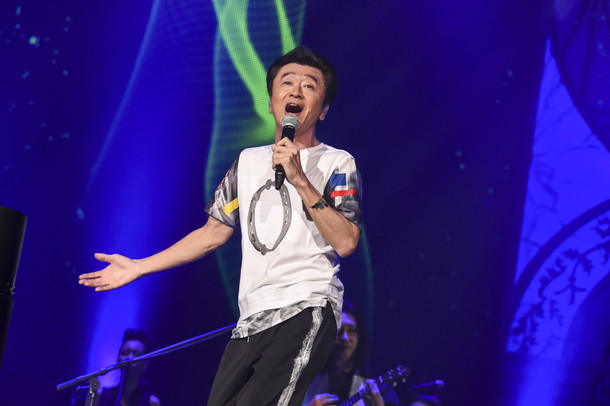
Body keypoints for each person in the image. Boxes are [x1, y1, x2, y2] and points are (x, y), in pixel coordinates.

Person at [78, 46, 362, 406]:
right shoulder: (247, 162)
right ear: (271, 102)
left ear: (323, 110)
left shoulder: (337, 162)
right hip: (251, 318)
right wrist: (138, 267)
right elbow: (212, 234)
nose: (296, 90)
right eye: (287, 82)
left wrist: (300, 179)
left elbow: (347, 241)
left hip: (307, 306)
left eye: (309, 86)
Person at [302, 302, 402, 406]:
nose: (345, 337)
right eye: (339, 330)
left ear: (359, 337)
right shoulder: (305, 381)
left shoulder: (376, 383)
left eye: (351, 330)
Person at [70, 328, 161, 406]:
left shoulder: (151, 402)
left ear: (145, 364)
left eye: (136, 354)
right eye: (125, 353)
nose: (129, 357)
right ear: (118, 359)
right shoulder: (101, 396)